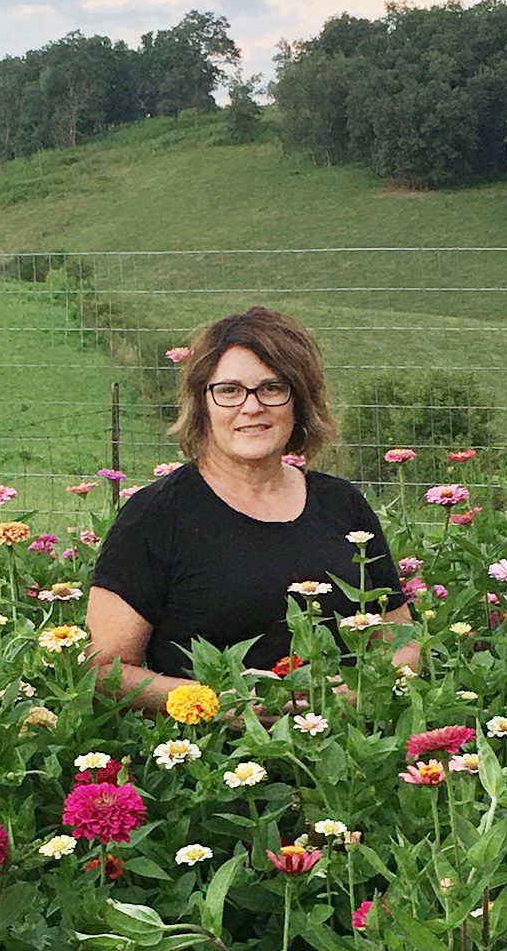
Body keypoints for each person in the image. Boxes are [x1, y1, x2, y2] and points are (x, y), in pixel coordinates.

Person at [86, 306, 417, 713]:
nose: (251, 406)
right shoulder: (155, 516)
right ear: (202, 402)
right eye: (229, 390)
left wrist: (347, 695)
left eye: (272, 388)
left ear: (299, 401)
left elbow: (406, 645)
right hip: (207, 760)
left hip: (346, 759)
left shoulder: (342, 505)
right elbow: (105, 669)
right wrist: (216, 703)